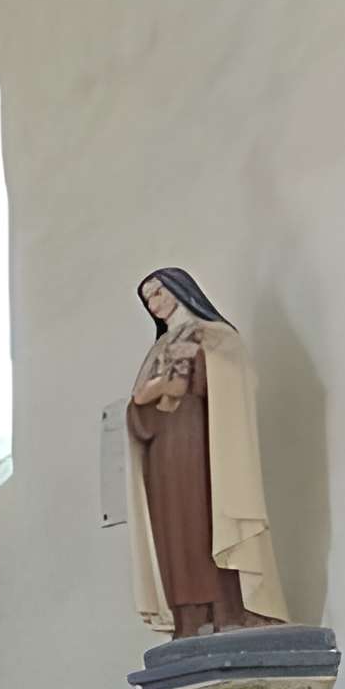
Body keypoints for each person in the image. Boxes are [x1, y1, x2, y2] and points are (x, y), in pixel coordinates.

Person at [126, 266, 288, 637]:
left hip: (202, 445)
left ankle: (227, 610)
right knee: (174, 530)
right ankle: (189, 618)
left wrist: (194, 368)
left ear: (181, 291)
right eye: (148, 298)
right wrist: (146, 402)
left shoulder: (214, 336)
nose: (154, 303)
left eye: (159, 292)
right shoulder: (159, 348)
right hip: (163, 451)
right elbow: (140, 402)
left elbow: (229, 379)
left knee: (205, 522)